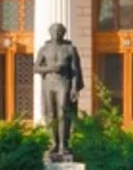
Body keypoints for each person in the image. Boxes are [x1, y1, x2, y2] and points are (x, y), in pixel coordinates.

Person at [34, 23, 85, 161]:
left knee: (63, 112)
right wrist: (50, 68)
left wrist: (75, 88)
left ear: (63, 33)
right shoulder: (44, 49)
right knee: (51, 114)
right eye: (54, 31)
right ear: (50, 33)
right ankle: (54, 143)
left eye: (59, 32)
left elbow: (75, 70)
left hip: (64, 82)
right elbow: (36, 68)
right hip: (49, 83)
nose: (56, 34)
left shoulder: (69, 49)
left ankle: (64, 145)